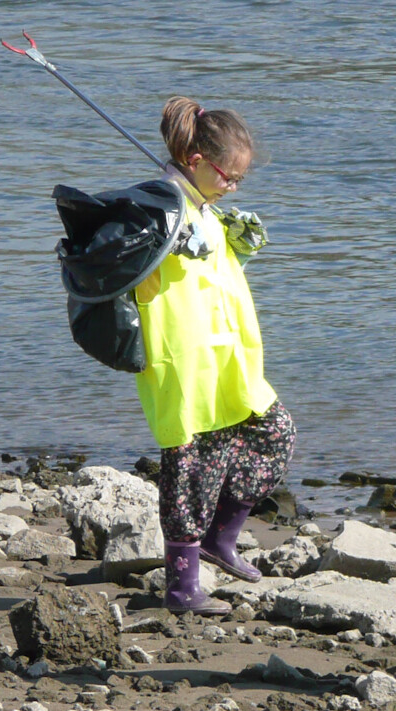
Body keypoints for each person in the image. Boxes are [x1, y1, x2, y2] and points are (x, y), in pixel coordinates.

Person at [134, 96, 296, 615]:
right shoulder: (160, 206)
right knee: (189, 468)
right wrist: (164, 237)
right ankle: (182, 587)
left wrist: (233, 241)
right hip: (185, 362)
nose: (234, 187)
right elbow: (130, 264)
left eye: (240, 180)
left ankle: (219, 539)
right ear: (197, 161)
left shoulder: (202, 206)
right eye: (230, 177)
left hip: (228, 359)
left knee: (275, 433)